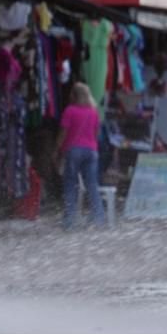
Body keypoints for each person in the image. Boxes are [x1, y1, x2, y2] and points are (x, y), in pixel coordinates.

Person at [57, 82, 106, 229]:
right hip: (91, 151)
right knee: (92, 184)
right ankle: (99, 219)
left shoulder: (70, 110)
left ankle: (70, 222)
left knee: (70, 184)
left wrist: (57, 149)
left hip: (73, 150)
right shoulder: (94, 112)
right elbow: (96, 134)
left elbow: (63, 133)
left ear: (73, 95)